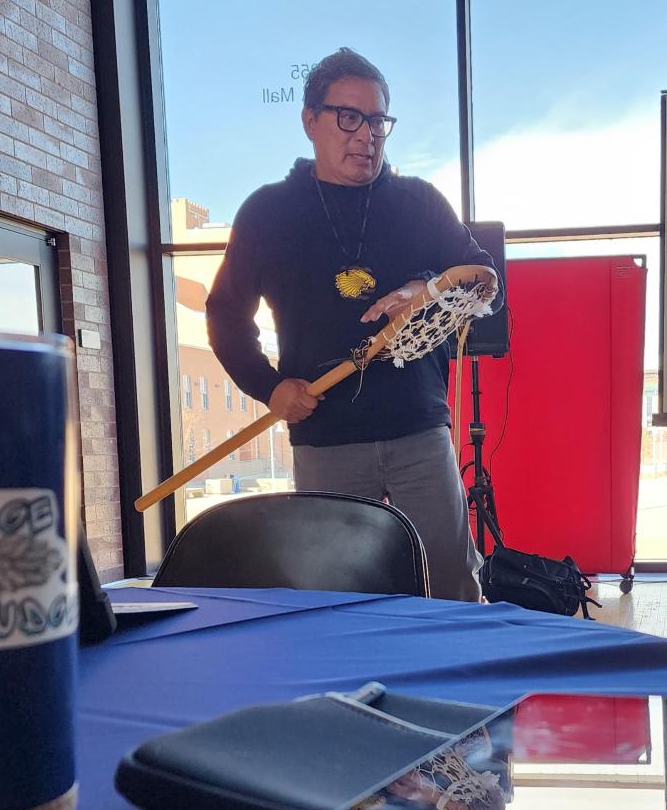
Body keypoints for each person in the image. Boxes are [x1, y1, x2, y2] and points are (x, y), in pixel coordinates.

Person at [206, 47, 496, 602]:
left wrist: (427, 289)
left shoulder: (420, 202)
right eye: (349, 117)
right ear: (310, 120)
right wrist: (268, 388)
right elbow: (224, 313)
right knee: (334, 592)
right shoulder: (268, 212)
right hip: (326, 440)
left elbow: (486, 280)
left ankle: (460, 686)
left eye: (378, 120)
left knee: (452, 586)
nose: (367, 134)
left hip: (419, 431)